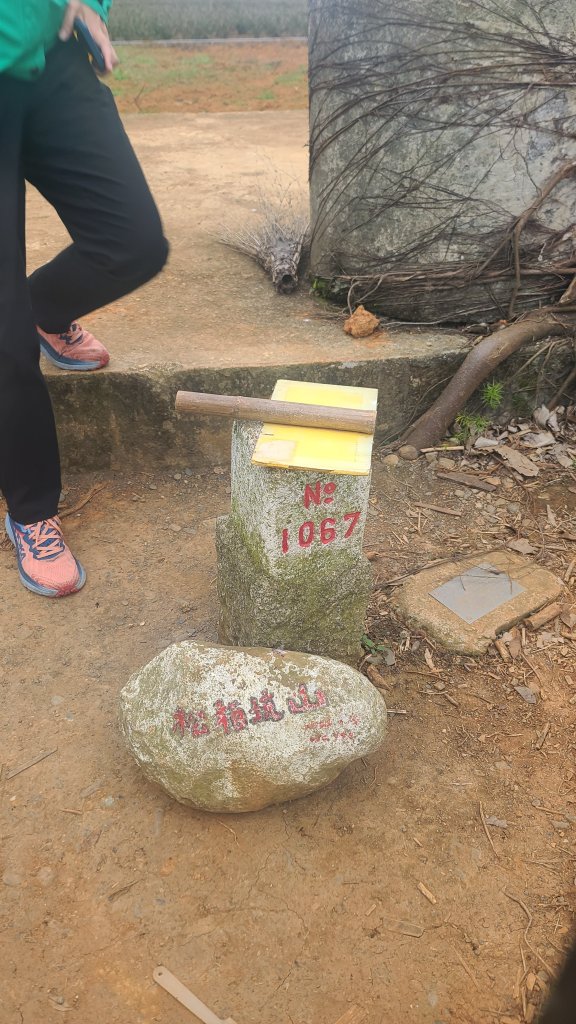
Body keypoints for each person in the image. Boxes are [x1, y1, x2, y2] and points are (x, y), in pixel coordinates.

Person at [0, 0, 168, 597]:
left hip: (53, 51)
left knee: (135, 242)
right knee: (4, 335)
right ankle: (31, 507)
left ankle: (42, 309)